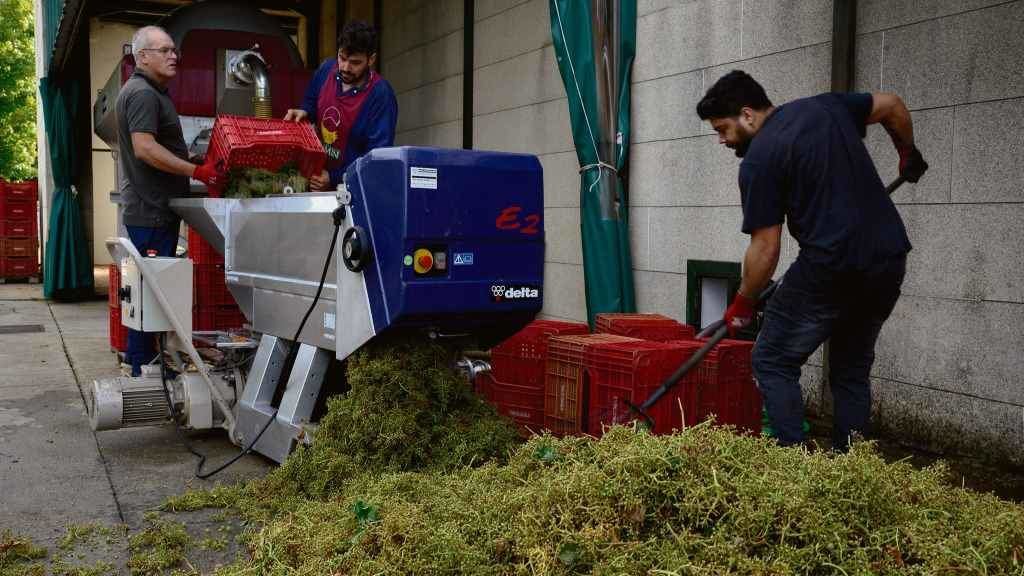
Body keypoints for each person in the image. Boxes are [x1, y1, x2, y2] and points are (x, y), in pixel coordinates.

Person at [695, 70, 928, 451]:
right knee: (851, 369)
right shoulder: (826, 107)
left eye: (722, 128)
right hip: (888, 258)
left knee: (771, 360)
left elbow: (766, 248)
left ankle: (797, 468)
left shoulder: (759, 161)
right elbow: (892, 106)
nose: (721, 139)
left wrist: (742, 303)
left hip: (832, 266)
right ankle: (852, 468)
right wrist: (907, 153)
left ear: (748, 114)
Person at [116, 25, 225, 376]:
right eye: (164, 50)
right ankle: (143, 375)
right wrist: (197, 172)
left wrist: (191, 166)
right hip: (151, 214)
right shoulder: (143, 94)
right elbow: (145, 148)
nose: (173, 55)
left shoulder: (152, 91)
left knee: (149, 296)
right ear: (142, 56)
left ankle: (149, 370)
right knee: (150, 300)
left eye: (173, 49)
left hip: (153, 211)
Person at [284, 20, 398, 190]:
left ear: (371, 59)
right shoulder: (326, 70)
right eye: (342, 58)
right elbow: (310, 102)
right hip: (313, 179)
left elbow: (375, 158)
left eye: (355, 62)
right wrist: (304, 112)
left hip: (353, 192)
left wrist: (334, 178)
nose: (345, 67)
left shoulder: (381, 95)